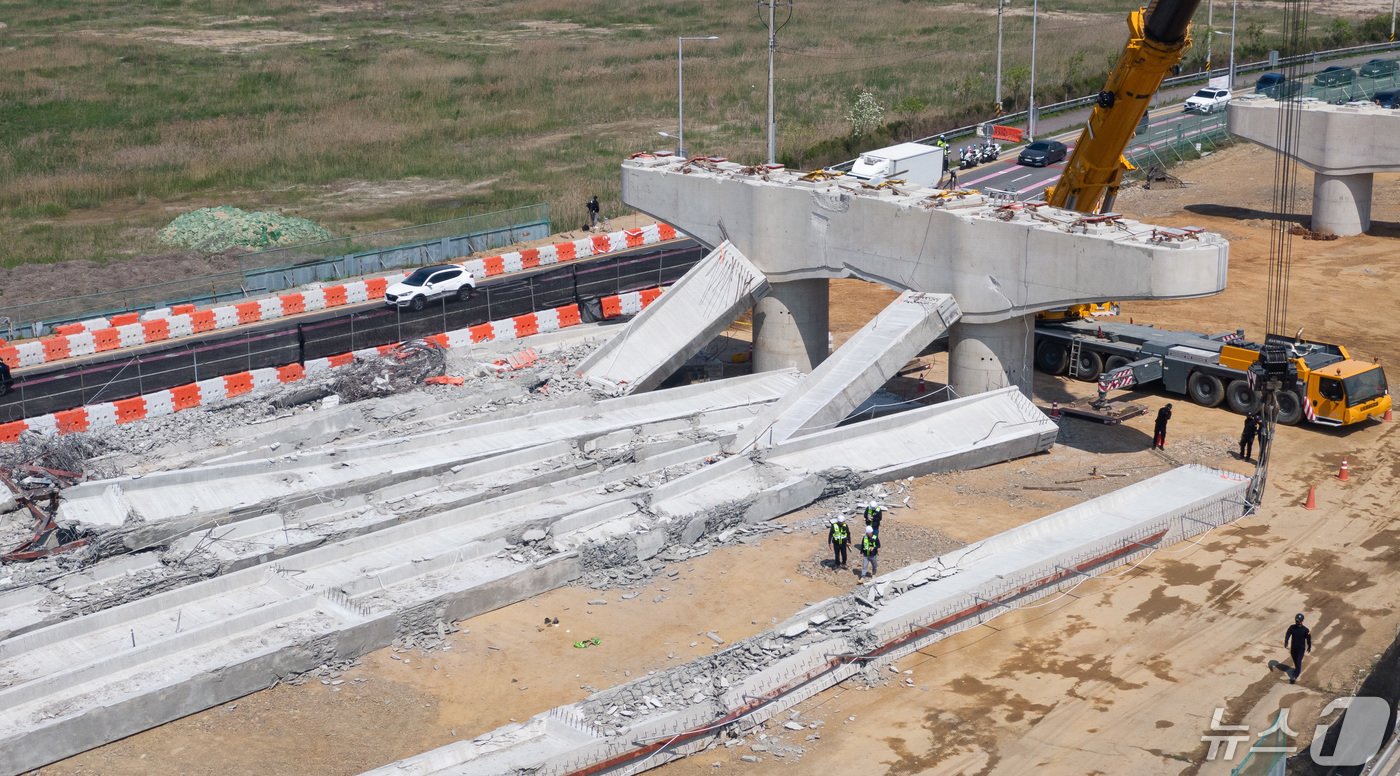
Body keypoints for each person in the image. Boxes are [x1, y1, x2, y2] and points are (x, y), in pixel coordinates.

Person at [1284, 613, 1313, 684]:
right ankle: (1297, 670)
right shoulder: (1292, 627)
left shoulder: (1305, 630)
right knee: (1295, 661)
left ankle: (1294, 676)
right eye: (1296, 620)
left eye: (1298, 621)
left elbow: (1308, 639)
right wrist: (1286, 641)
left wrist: (1309, 646)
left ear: (1301, 621)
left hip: (1301, 649)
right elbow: (1288, 634)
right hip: (1293, 648)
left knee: (1298, 661)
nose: (1297, 622)